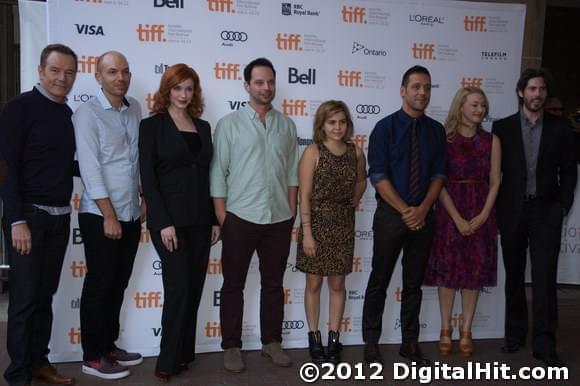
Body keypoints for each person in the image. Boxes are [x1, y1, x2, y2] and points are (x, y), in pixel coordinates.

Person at [210, 57, 298, 373]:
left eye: (270, 82)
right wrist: (223, 216)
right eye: (259, 82)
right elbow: (218, 173)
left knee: (273, 284)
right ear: (247, 86)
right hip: (239, 217)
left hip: (278, 218)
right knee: (233, 284)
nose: (266, 87)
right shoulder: (229, 124)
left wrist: (291, 213)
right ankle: (232, 346)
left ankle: (271, 342)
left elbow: (291, 174)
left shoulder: (287, 125)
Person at [0, 43, 77, 386]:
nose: (62, 78)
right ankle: (17, 375)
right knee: (24, 299)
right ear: (40, 71)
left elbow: (68, 165)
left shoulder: (66, 114)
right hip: (27, 218)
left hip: (60, 217)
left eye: (69, 72)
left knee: (44, 295)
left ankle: (38, 363)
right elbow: (6, 168)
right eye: (55, 71)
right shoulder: (19, 108)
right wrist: (16, 221)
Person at [139, 63, 220, 382]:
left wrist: (214, 218)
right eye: (177, 88)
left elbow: (209, 176)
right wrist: (162, 222)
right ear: (166, 91)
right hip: (169, 221)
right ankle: (167, 359)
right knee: (178, 288)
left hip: (201, 220)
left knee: (195, 288)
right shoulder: (152, 126)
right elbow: (148, 177)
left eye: (189, 88)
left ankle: (185, 353)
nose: (184, 94)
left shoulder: (203, 127)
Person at [362, 65, 447, 365]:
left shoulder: (436, 131)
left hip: (424, 217)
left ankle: (409, 343)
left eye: (427, 87)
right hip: (390, 216)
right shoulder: (384, 128)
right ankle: (371, 342)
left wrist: (422, 209)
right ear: (403, 90)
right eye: (416, 87)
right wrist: (405, 211)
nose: (422, 92)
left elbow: (439, 175)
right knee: (379, 280)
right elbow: (379, 175)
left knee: (413, 285)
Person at [492, 68, 576, 367]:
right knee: (514, 278)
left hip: (546, 212)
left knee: (544, 279)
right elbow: (495, 174)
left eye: (541, 90)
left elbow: (568, 172)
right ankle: (514, 336)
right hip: (512, 211)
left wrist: (561, 207)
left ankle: (544, 343)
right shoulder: (502, 128)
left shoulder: (561, 129)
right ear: (520, 92)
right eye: (532, 89)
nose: (537, 94)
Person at [72, 51, 144, 380]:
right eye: (113, 72)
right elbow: (90, 168)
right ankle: (92, 355)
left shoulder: (134, 110)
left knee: (118, 282)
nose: (121, 77)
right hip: (100, 214)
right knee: (100, 284)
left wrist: (143, 199)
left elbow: (135, 161)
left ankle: (108, 346)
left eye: (125, 72)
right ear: (98, 76)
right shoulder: (86, 114)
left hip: (130, 211)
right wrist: (109, 215)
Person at [423, 87, 500, 357]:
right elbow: (438, 181)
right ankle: (445, 329)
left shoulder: (492, 141)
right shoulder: (445, 140)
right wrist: (456, 218)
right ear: (461, 107)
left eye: (483, 105)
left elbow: (495, 182)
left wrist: (483, 215)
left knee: (473, 274)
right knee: (448, 273)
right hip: (449, 211)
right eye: (475, 105)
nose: (480, 110)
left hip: (481, 211)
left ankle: (466, 330)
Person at [296, 100, 366, 364]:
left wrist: (354, 200)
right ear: (322, 125)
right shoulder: (313, 152)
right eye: (332, 122)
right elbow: (304, 196)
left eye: (342, 122)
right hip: (315, 225)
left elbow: (361, 180)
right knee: (314, 283)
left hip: (344, 225)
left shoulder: (356, 152)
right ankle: (314, 337)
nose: (337, 127)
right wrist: (308, 233)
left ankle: (334, 339)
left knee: (338, 284)